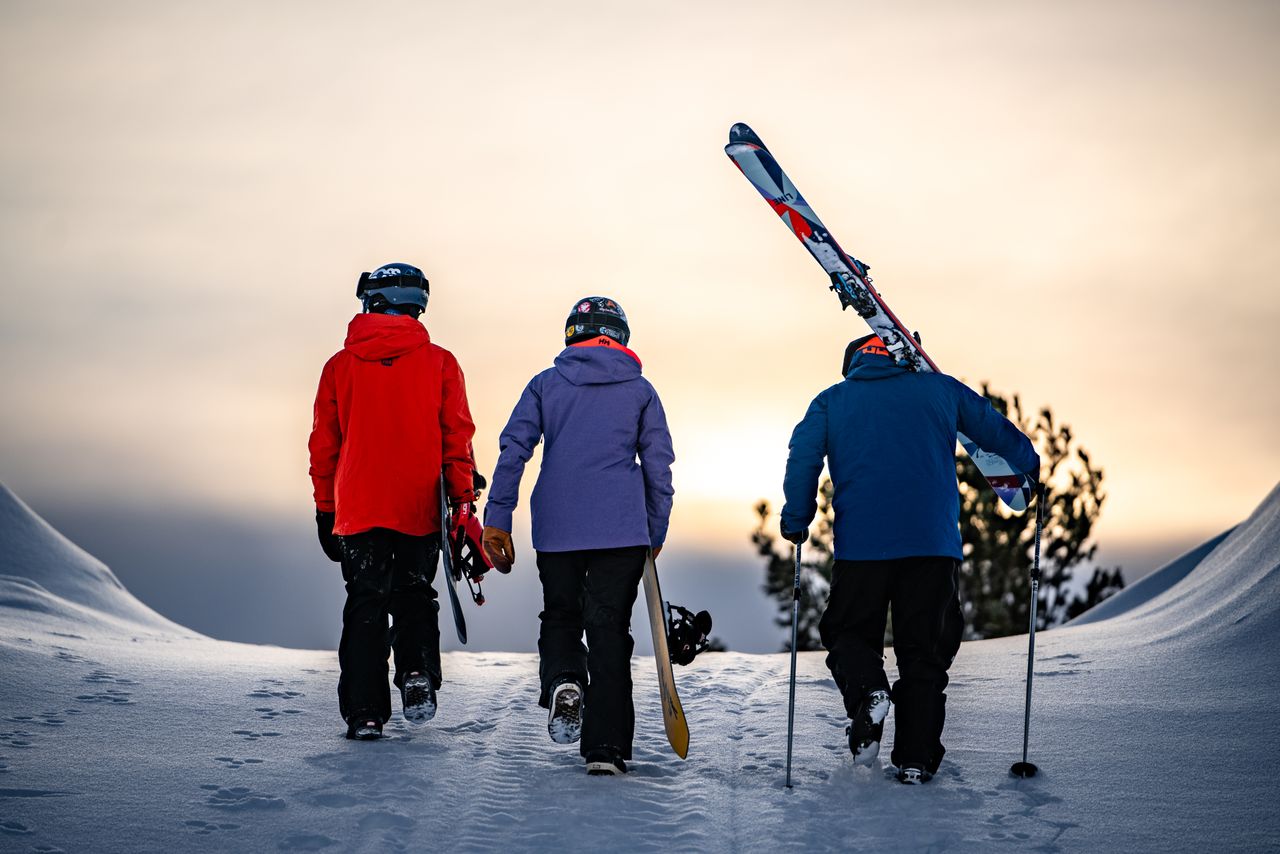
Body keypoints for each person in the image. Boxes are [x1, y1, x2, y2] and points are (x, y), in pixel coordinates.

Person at [780, 333, 1038, 784]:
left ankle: (868, 693)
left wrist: (797, 518)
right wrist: (1029, 465)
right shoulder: (941, 389)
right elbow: (992, 427)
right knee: (925, 652)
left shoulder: (832, 401)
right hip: (931, 546)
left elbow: (803, 456)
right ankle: (916, 758)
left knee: (848, 632)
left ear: (853, 363)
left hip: (862, 548)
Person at [481, 296, 674, 776]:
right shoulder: (641, 391)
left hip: (557, 528)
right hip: (621, 531)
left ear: (573, 334)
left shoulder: (545, 384)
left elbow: (514, 449)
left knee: (562, 615)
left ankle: (565, 679)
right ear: (621, 336)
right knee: (609, 630)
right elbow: (658, 465)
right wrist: (655, 528)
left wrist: (498, 517)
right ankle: (605, 749)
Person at [308, 263, 477, 740]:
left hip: (358, 509)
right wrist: (462, 500)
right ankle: (416, 671)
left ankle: (365, 712)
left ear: (373, 301)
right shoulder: (441, 363)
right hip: (418, 508)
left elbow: (324, 446)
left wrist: (324, 508)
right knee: (414, 594)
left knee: (365, 601)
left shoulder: (338, 367)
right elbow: (457, 440)